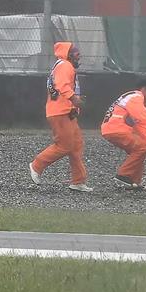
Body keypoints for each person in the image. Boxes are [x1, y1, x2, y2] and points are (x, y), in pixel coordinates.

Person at [30, 42, 92, 192]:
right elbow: (62, 86)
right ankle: (37, 165)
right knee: (64, 145)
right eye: (76, 53)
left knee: (76, 145)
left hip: (65, 111)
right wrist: (74, 99)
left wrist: (73, 106)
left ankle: (78, 181)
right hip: (60, 112)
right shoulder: (65, 65)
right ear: (68, 54)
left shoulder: (61, 65)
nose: (79, 56)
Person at [101, 78, 146, 190]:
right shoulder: (135, 97)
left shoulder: (129, 99)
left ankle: (134, 182)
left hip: (111, 130)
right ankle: (123, 176)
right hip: (116, 129)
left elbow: (141, 126)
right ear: (144, 89)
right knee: (142, 147)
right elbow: (141, 115)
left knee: (139, 151)